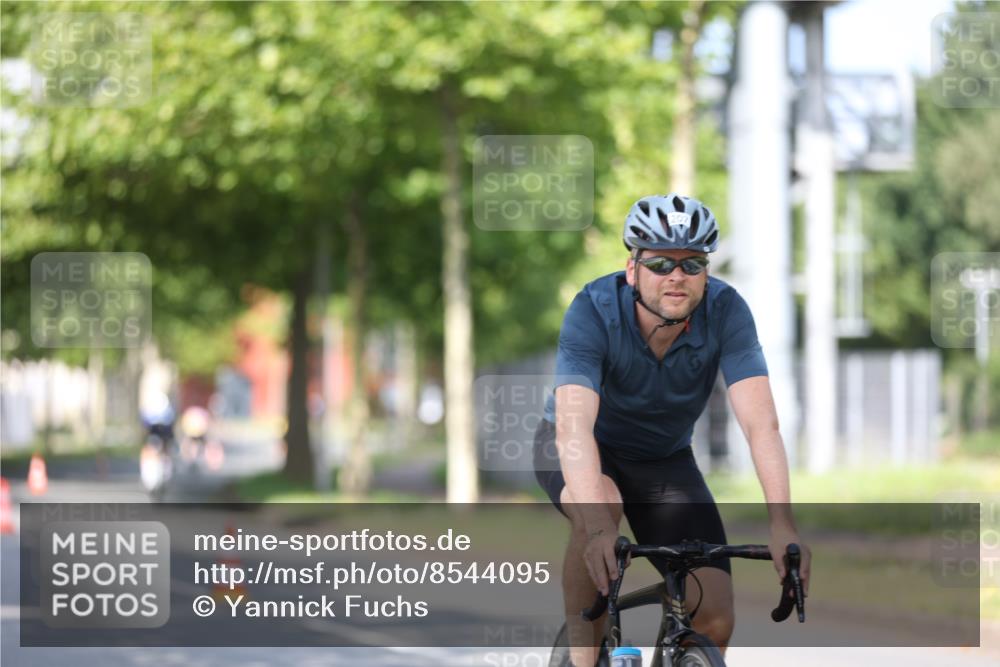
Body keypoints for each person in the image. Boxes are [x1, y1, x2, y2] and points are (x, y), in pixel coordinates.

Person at [533, 193, 812, 665]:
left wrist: (782, 523)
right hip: (582, 451)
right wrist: (601, 529)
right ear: (632, 269)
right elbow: (574, 428)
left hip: (663, 461)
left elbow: (760, 424)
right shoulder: (593, 310)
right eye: (661, 262)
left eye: (692, 263)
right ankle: (583, 656)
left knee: (716, 617)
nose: (676, 275)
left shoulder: (727, 311)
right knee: (601, 506)